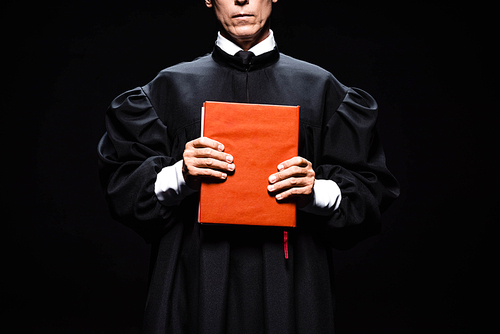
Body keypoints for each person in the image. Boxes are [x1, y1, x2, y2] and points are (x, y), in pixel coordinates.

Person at [97, 0, 400, 333]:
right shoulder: (167, 90)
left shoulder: (322, 89)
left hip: (293, 279)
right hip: (194, 275)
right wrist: (179, 174)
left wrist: (317, 191)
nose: (241, 0)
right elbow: (122, 188)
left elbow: (371, 193)